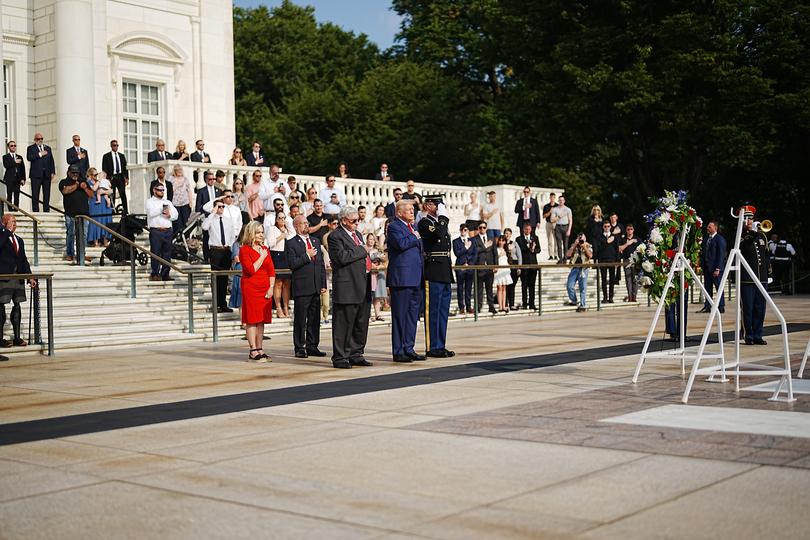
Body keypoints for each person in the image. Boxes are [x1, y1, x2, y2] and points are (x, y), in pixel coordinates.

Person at [328, 206, 374, 369]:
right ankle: (340, 357)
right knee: (343, 323)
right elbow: (341, 257)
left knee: (360, 322)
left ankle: (356, 353)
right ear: (343, 221)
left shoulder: (358, 235)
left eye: (358, 220)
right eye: (353, 221)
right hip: (347, 285)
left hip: (362, 282)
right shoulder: (335, 236)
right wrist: (362, 250)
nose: (356, 223)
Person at [387, 199, 425, 362]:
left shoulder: (414, 227)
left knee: (412, 316)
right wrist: (415, 237)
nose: (412, 212)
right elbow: (401, 244)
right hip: (402, 279)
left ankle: (409, 347)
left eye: (413, 209)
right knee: (400, 316)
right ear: (399, 212)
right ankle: (398, 350)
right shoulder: (394, 226)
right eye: (409, 209)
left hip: (416, 277)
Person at [286, 215, 327, 358]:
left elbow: (321, 264)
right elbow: (292, 264)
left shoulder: (315, 241)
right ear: (296, 226)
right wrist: (307, 255)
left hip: (316, 286)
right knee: (301, 319)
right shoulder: (291, 243)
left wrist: (323, 283)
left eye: (307, 223)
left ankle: (312, 345)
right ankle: (299, 347)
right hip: (302, 287)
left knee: (314, 319)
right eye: (302, 223)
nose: (306, 225)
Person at [419, 196, 455, 357]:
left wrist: (442, 219)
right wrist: (442, 218)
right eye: (436, 204)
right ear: (428, 206)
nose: (440, 207)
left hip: (445, 269)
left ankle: (440, 344)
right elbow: (439, 233)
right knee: (432, 311)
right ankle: (432, 347)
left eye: (440, 204)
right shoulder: (425, 223)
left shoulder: (441, 222)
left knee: (442, 311)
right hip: (433, 269)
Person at [239, 221, 275, 361]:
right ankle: (253, 349)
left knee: (261, 320)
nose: (261, 235)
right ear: (251, 234)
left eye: (262, 232)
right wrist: (262, 256)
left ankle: (260, 348)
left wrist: (271, 287)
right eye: (258, 232)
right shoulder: (244, 250)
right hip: (251, 287)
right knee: (252, 320)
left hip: (265, 288)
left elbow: (271, 271)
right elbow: (251, 269)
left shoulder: (265, 249)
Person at [0, 215, 37, 348]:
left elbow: (23, 259)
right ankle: (0, 338)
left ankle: (16, 337)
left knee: (17, 305)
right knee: (1, 305)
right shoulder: (2, 236)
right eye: (12, 221)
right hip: (5, 276)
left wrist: (29, 276)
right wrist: (7, 232)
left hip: (18, 277)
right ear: (4, 223)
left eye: (15, 222)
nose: (15, 224)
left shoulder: (19, 240)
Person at [739, 206, 769, 345]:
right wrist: (750, 232)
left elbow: (766, 256)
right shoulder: (741, 235)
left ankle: (758, 334)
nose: (749, 221)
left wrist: (769, 273)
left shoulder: (762, 235)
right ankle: (748, 335)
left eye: (751, 218)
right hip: (747, 279)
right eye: (747, 218)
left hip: (761, 278)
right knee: (748, 309)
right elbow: (743, 247)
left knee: (760, 308)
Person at [202, 199, 238, 312]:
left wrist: (231, 250)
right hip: (215, 250)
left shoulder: (228, 220)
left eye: (223, 206)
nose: (221, 208)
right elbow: (204, 227)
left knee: (224, 278)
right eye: (219, 206)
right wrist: (213, 213)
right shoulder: (211, 219)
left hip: (226, 250)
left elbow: (233, 236)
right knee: (216, 278)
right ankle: (216, 304)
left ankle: (223, 304)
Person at [145, 183, 178, 281]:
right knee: (155, 252)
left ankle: (165, 273)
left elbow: (175, 214)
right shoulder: (149, 201)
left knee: (167, 254)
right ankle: (155, 273)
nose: (162, 192)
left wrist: (169, 215)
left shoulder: (168, 202)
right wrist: (162, 208)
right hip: (156, 230)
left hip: (167, 230)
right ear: (154, 190)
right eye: (160, 190)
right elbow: (151, 213)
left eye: (163, 190)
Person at [59, 165, 92, 263]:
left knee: (84, 235)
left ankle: (82, 254)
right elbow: (65, 191)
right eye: (73, 173)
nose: (75, 175)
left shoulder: (84, 181)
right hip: (70, 213)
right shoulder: (64, 182)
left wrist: (85, 188)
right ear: (68, 173)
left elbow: (91, 194)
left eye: (76, 173)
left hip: (84, 214)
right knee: (71, 234)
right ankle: (70, 253)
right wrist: (77, 185)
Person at [267, 209, 294, 318]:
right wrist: (281, 236)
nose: (282, 220)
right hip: (277, 255)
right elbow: (271, 243)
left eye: (284, 218)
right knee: (278, 283)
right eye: (280, 218)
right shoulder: (272, 229)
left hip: (287, 255)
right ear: (276, 219)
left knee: (287, 283)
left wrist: (287, 224)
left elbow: (293, 234)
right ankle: (278, 307)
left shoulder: (288, 229)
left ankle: (286, 307)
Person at [698, 221, 727, 313]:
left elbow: (721, 254)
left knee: (719, 287)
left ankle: (721, 306)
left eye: (710, 227)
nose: (708, 228)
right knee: (707, 288)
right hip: (707, 268)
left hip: (715, 269)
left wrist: (718, 268)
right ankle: (708, 306)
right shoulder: (707, 239)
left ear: (715, 228)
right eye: (708, 227)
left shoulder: (719, 239)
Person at [196, 171, 223, 262]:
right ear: (206, 179)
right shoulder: (201, 191)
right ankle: (206, 258)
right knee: (206, 238)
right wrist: (208, 212)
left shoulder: (219, 191)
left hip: (217, 218)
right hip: (207, 218)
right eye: (210, 179)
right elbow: (198, 207)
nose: (212, 181)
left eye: (213, 179)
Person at [26, 133, 56, 212]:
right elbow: (29, 157)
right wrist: (40, 154)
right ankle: (35, 211)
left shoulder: (48, 148)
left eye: (41, 138)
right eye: (38, 139)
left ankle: (46, 210)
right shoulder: (31, 148)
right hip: (36, 175)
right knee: (35, 194)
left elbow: (51, 160)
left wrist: (52, 172)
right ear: (35, 140)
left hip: (46, 174)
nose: (40, 140)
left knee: (47, 194)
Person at [471, 222, 496, 314]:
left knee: (489, 289)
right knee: (479, 289)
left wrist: (495, 265)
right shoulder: (474, 239)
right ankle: (478, 306)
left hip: (489, 267)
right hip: (479, 267)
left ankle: (491, 306)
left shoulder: (491, 238)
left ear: (486, 228)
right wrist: (485, 246)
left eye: (484, 227)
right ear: (478, 229)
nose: (482, 229)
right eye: (480, 228)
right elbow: (475, 251)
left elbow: (494, 253)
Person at [565, 233, 593, 312]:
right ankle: (574, 300)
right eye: (579, 238)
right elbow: (568, 254)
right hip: (574, 268)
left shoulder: (588, 245)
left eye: (582, 238)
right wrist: (574, 245)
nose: (581, 240)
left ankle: (583, 304)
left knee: (583, 287)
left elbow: (590, 255)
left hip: (584, 268)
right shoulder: (574, 245)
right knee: (569, 286)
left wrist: (584, 247)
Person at [452, 223, 476, 314]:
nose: (463, 231)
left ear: (468, 231)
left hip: (469, 267)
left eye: (465, 230)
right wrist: (465, 247)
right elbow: (457, 253)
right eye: (462, 230)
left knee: (469, 288)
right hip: (460, 267)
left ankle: (469, 306)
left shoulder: (472, 241)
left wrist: (470, 264)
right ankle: (461, 307)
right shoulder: (455, 241)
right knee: (460, 288)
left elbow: (475, 254)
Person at [515, 222, 539, 310]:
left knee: (532, 285)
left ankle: (532, 303)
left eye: (529, 229)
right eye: (526, 229)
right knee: (524, 285)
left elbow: (538, 249)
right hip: (524, 265)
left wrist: (533, 249)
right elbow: (519, 250)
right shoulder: (519, 239)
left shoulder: (535, 238)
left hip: (533, 265)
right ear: (523, 229)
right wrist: (528, 247)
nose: (528, 231)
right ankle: (525, 303)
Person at [85, 168, 113, 247]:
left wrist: (104, 191)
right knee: (95, 222)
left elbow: (110, 190)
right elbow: (93, 189)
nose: (97, 176)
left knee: (105, 222)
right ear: (90, 175)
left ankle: (105, 241)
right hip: (94, 204)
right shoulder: (89, 182)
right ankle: (95, 241)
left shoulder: (102, 181)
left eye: (97, 174)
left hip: (104, 203)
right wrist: (99, 181)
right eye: (95, 175)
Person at [101, 139, 128, 214]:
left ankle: (126, 210)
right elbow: (104, 168)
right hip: (112, 177)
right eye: (114, 145)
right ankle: (112, 210)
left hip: (120, 177)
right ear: (111, 146)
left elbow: (125, 167)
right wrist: (107, 178)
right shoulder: (106, 156)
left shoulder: (121, 156)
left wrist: (126, 177)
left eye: (117, 145)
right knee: (111, 194)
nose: (116, 147)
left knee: (122, 193)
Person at [594, 220, 618, 303]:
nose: (607, 228)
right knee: (603, 279)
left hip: (612, 260)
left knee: (612, 280)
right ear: (603, 227)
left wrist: (617, 261)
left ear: (610, 227)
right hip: (602, 260)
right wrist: (607, 241)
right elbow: (597, 249)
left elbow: (617, 249)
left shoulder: (614, 237)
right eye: (605, 226)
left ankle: (611, 297)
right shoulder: (599, 237)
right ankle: (605, 297)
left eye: (608, 226)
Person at [366, 233, 387, 321]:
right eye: (370, 239)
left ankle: (377, 314)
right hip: (368, 274)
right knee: (369, 296)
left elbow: (385, 260)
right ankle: (368, 314)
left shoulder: (378, 250)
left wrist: (379, 260)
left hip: (378, 274)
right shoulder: (364, 249)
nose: (371, 241)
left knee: (377, 296)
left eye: (373, 239)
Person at [618, 223, 641, 302]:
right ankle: (630, 296)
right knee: (628, 279)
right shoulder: (623, 239)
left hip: (635, 260)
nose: (630, 231)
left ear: (633, 230)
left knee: (635, 279)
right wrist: (627, 243)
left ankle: (634, 296)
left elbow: (642, 249)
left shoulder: (637, 239)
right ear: (626, 230)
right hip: (626, 260)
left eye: (631, 229)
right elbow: (619, 249)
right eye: (628, 229)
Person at [170, 164, 194, 235]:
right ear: (175, 171)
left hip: (185, 203)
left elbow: (189, 190)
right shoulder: (171, 179)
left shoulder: (185, 179)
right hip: (175, 203)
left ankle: (186, 236)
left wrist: (190, 201)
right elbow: (171, 191)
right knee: (177, 222)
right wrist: (176, 185)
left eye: (180, 170)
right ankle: (177, 237)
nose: (179, 171)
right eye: (178, 170)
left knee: (186, 221)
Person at [491, 236, 513, 313]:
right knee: (499, 288)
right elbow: (494, 258)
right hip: (499, 269)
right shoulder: (496, 249)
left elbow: (509, 259)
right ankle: (500, 306)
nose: (501, 242)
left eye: (502, 241)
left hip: (505, 269)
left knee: (504, 288)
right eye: (500, 240)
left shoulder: (506, 250)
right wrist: (500, 255)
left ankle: (504, 306)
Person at [3, 140, 26, 207]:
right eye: (12, 146)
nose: (13, 147)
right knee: (9, 195)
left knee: (17, 196)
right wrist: (15, 162)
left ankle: (16, 210)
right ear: (8, 147)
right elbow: (6, 165)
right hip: (9, 179)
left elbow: (22, 169)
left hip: (17, 179)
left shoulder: (19, 157)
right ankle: (10, 211)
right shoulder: (5, 157)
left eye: (15, 145)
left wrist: (23, 179)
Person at [504, 228, 521, 310]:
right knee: (506, 285)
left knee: (512, 285)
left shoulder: (514, 243)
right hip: (505, 264)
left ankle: (511, 303)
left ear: (511, 234)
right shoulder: (502, 243)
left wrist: (519, 267)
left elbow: (519, 255)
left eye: (509, 233)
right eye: (506, 233)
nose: (507, 235)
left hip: (514, 264)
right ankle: (505, 304)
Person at [551, 195, 573, 261]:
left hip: (565, 226)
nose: (561, 201)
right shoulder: (555, 209)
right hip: (558, 227)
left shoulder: (568, 209)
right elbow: (552, 220)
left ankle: (565, 258)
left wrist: (569, 230)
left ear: (564, 201)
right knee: (559, 244)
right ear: (558, 201)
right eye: (560, 200)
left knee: (566, 244)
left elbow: (570, 220)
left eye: (562, 200)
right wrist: (559, 216)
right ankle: (560, 259)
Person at [229, 227, 243, 312]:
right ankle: (243, 321)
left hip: (250, 273)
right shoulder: (237, 244)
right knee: (241, 299)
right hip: (240, 272)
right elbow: (236, 258)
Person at [542, 193, 558, 260]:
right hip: (548, 223)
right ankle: (551, 255)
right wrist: (550, 212)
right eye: (551, 197)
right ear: (549, 198)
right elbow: (544, 216)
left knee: (556, 240)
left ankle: (556, 255)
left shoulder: (557, 206)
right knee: (549, 240)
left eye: (553, 197)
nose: (552, 199)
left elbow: (560, 215)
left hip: (555, 223)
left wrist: (555, 219)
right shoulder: (546, 206)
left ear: (555, 198)